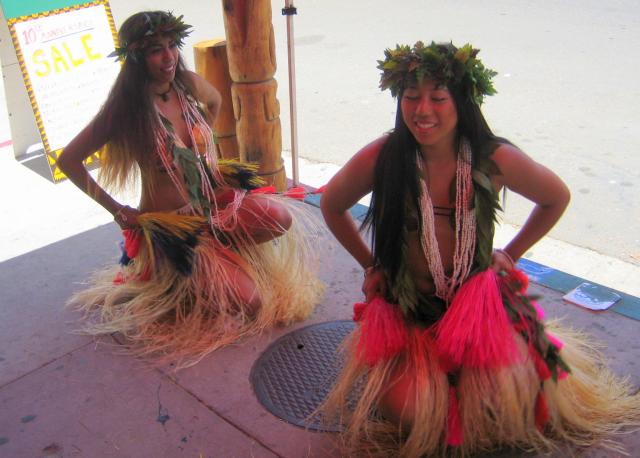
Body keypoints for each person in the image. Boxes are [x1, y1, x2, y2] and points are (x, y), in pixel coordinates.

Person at [320, 41, 640, 456]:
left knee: (505, 403)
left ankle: (470, 378)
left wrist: (512, 253)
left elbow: (555, 197)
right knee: (408, 411)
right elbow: (332, 205)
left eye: (438, 98)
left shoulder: (492, 158)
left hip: (478, 306)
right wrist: (372, 265)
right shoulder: (383, 157)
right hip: (412, 310)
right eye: (411, 97)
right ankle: (425, 378)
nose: (422, 110)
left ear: (463, 101)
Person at [57, 11, 323, 368]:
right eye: (156, 50)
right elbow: (69, 160)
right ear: (135, 57)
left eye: (172, 45)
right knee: (253, 302)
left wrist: (204, 150)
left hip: (213, 206)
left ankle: (219, 257)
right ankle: (187, 278)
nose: (169, 57)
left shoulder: (186, 85)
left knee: (279, 218)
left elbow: (215, 101)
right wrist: (118, 210)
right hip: (175, 231)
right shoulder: (126, 111)